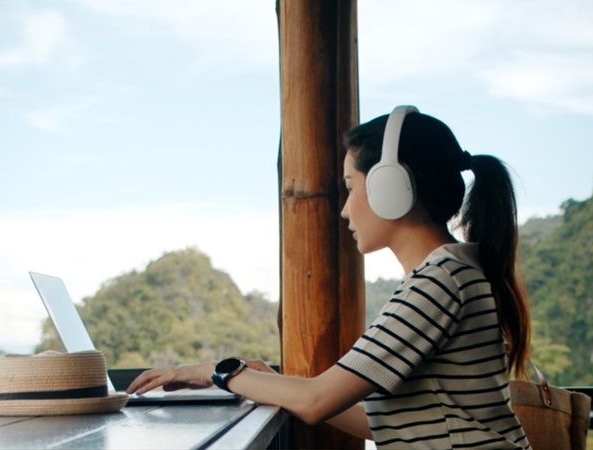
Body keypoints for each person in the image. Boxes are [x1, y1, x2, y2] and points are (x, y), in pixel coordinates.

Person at [126, 106, 533, 449]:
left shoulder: (440, 282)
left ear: (390, 187)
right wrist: (267, 381)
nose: (344, 210)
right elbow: (383, 422)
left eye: (350, 187)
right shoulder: (453, 272)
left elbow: (316, 401)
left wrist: (217, 371)